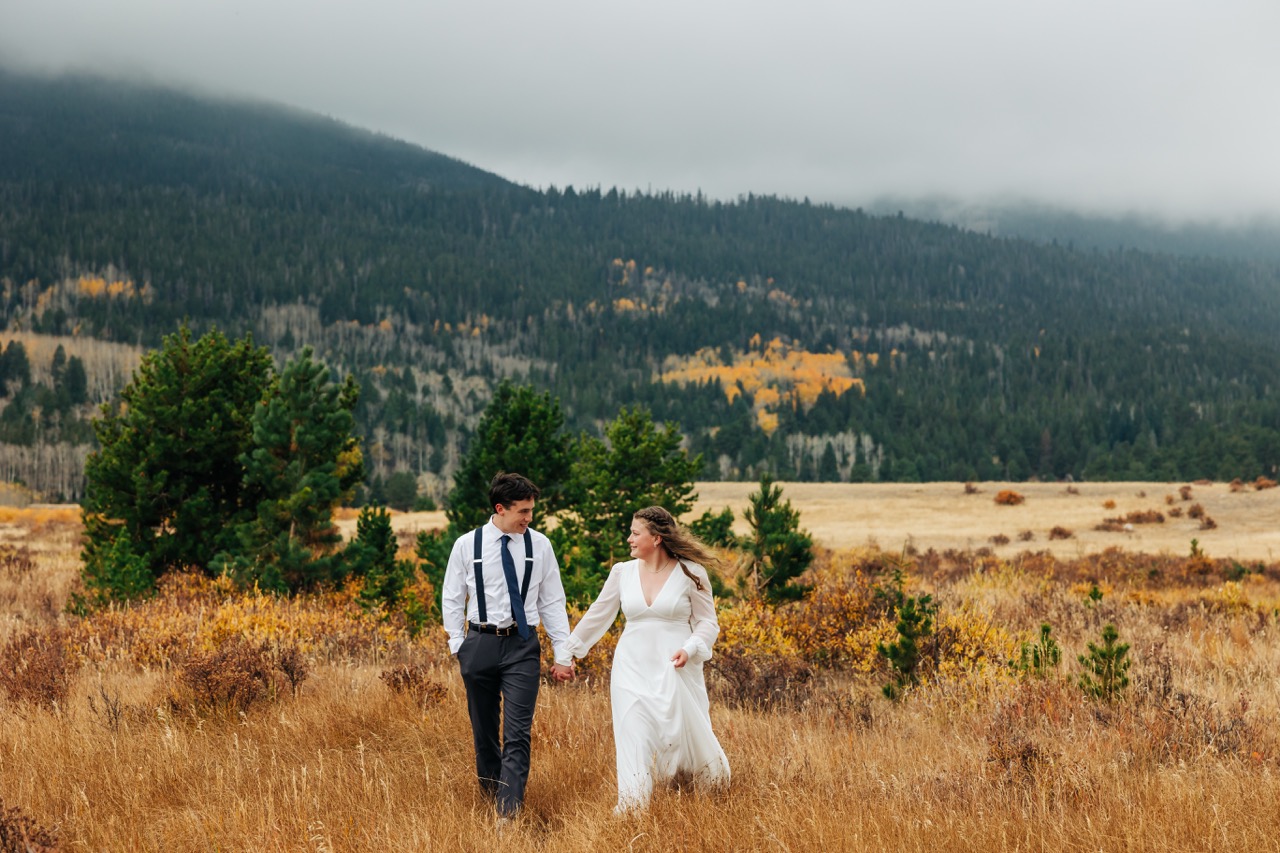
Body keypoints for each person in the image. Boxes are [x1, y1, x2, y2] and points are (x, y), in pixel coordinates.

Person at [565, 505, 731, 813]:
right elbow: (598, 614)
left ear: (655, 539)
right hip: (631, 667)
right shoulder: (622, 573)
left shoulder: (691, 573)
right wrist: (569, 651)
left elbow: (709, 622)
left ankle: (694, 793)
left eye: (635, 533)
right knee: (633, 734)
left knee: (680, 737)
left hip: (676, 666)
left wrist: (692, 647)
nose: (628, 538)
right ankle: (631, 807)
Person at [441, 472, 575, 818]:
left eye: (531, 510)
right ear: (500, 508)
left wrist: (563, 654)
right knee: (484, 733)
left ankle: (507, 814)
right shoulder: (466, 545)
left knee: (517, 734)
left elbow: (552, 602)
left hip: (522, 647)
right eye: (523, 511)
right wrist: (459, 645)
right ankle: (491, 797)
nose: (529, 518)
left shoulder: (540, 545)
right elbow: (453, 598)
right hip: (480, 644)